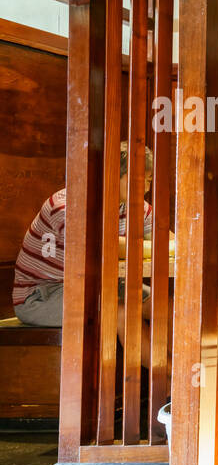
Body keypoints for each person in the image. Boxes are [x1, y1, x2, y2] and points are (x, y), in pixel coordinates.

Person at [13, 144, 172, 365]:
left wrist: (165, 244)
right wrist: (156, 246)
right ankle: (170, 379)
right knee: (121, 312)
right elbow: (100, 245)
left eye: (149, 180)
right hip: (41, 295)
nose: (146, 188)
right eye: (143, 180)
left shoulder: (133, 206)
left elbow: (168, 240)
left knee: (164, 306)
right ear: (117, 175)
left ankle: (173, 382)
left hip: (97, 285)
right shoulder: (68, 205)